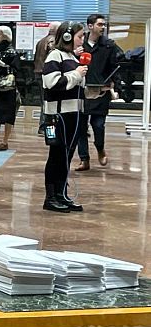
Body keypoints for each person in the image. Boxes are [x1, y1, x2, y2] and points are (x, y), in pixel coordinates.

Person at [42, 21, 91, 212]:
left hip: (74, 114)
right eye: (80, 36)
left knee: (66, 157)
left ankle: (61, 194)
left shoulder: (72, 57)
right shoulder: (55, 55)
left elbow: (75, 87)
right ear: (67, 37)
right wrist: (76, 74)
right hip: (58, 116)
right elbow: (52, 83)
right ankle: (50, 197)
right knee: (56, 156)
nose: (82, 40)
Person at [75, 14, 122, 172]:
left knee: (98, 125)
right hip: (82, 91)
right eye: (100, 24)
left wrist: (117, 88)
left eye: (104, 24)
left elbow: (115, 67)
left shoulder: (109, 45)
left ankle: (100, 148)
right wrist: (75, 53)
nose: (103, 27)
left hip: (101, 91)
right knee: (81, 127)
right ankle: (84, 159)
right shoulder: (80, 45)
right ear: (90, 26)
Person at [34, 22, 60, 133]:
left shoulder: (40, 41)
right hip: (47, 74)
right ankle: (45, 126)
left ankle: (44, 126)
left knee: (44, 101)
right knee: (49, 102)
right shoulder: (53, 41)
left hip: (38, 73)